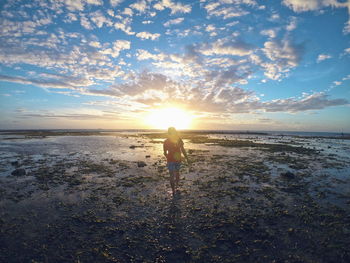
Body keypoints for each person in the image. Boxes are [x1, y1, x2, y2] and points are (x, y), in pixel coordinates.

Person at [163, 127, 189, 196]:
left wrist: (168, 157)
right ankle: (177, 187)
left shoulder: (166, 141)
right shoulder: (179, 139)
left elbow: (165, 153)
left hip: (170, 160)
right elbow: (183, 150)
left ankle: (173, 191)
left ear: (168, 132)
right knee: (177, 173)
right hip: (178, 159)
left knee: (171, 175)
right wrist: (187, 158)